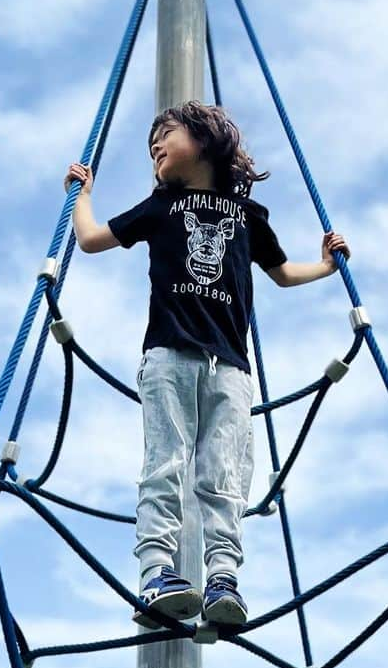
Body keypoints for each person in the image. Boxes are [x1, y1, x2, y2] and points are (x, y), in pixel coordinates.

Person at [65, 100, 349, 629]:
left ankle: (223, 578)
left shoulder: (248, 216)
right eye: (152, 143)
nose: (154, 147)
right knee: (165, 465)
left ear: (203, 139)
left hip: (232, 368)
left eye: (164, 134)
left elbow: (282, 272)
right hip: (169, 354)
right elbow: (90, 240)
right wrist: (80, 197)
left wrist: (327, 267)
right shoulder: (160, 207)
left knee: (224, 475)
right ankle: (156, 573)